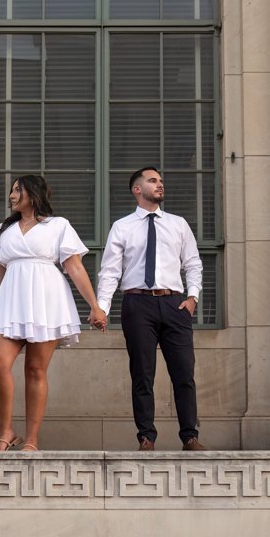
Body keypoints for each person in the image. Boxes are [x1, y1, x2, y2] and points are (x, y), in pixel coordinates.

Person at [0, 174, 107, 451]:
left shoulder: (58, 226)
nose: (11, 196)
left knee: (35, 369)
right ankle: (7, 431)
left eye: (16, 190)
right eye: (11, 191)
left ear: (32, 194)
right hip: (10, 300)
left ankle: (31, 439)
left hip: (46, 300)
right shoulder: (4, 229)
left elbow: (75, 267)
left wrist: (94, 305)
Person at [97, 166, 206, 451]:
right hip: (137, 303)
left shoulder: (178, 224)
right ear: (137, 189)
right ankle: (147, 436)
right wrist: (102, 308)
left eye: (161, 181)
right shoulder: (122, 227)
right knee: (142, 373)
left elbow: (193, 263)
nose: (160, 185)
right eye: (153, 181)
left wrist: (192, 298)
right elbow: (110, 272)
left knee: (184, 373)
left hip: (174, 303)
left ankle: (190, 437)